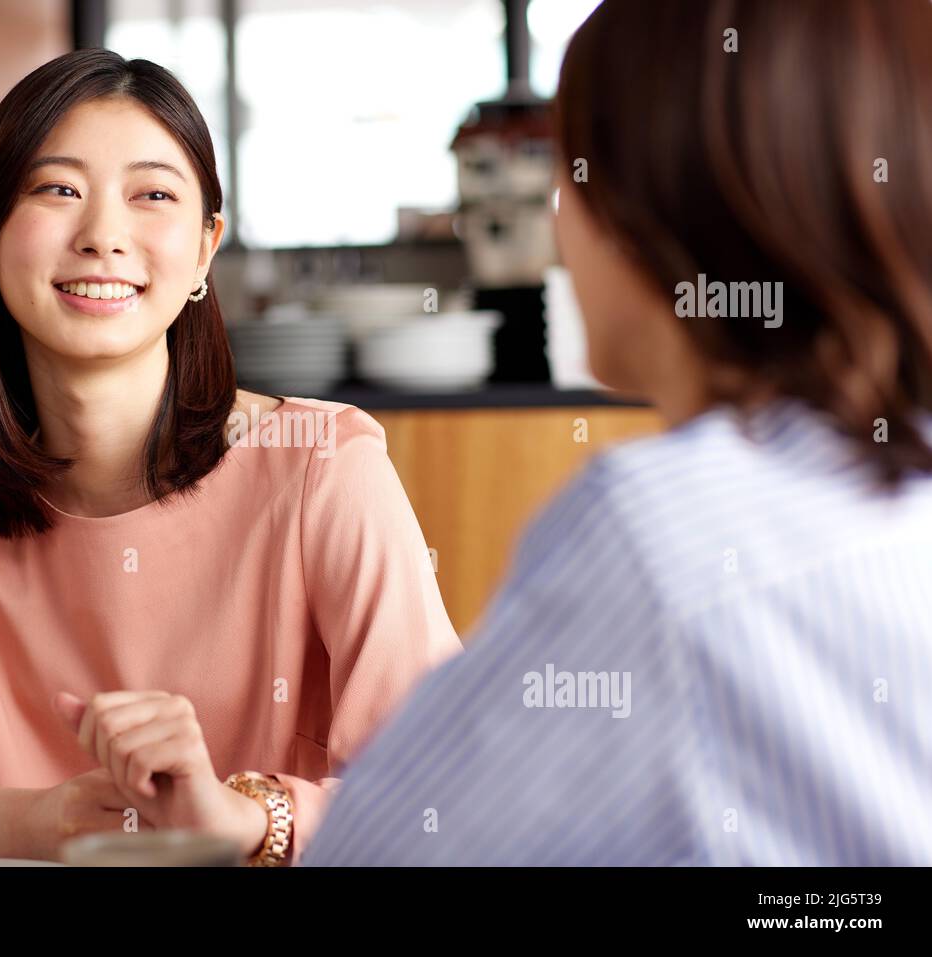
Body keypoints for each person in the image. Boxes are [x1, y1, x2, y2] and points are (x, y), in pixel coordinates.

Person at [303, 0, 932, 866]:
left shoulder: (667, 531)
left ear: (658, 210)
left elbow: (382, 856)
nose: (555, 227)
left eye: (570, 174)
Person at [0, 49, 460, 865]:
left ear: (207, 248)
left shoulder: (325, 467)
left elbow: (452, 794)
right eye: (58, 189)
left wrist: (242, 817)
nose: (104, 235)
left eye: (152, 195)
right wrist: (33, 822)